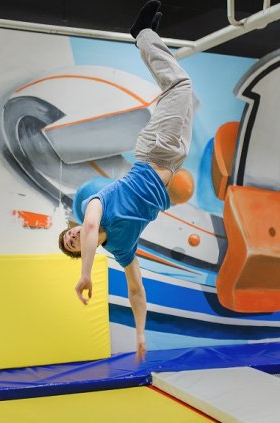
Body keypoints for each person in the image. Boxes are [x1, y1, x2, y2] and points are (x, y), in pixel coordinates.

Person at [57, 0, 193, 363]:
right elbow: (136, 290)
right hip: (171, 162)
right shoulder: (120, 248)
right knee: (178, 93)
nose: (74, 237)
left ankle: (143, 34)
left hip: (152, 155)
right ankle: (148, 36)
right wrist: (140, 334)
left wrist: (85, 275)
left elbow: (87, 228)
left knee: (180, 86)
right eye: (72, 244)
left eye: (70, 235)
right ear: (79, 250)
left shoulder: (94, 206)